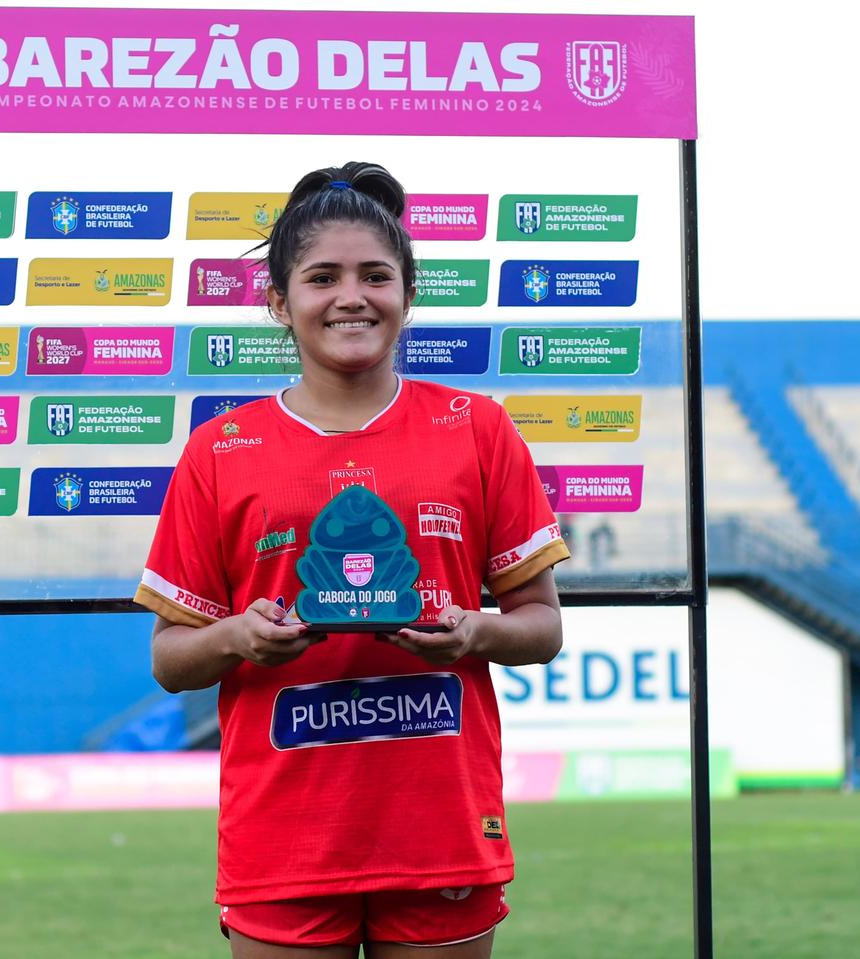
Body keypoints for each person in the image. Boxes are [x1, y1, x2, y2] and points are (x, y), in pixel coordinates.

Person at [134, 162, 569, 958]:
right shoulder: (220, 450)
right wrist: (240, 635)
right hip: (286, 834)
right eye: (322, 276)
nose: (351, 296)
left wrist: (473, 630)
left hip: (439, 822)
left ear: (408, 293)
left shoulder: (478, 429)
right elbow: (170, 659)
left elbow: (541, 628)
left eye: (377, 274)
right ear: (279, 301)